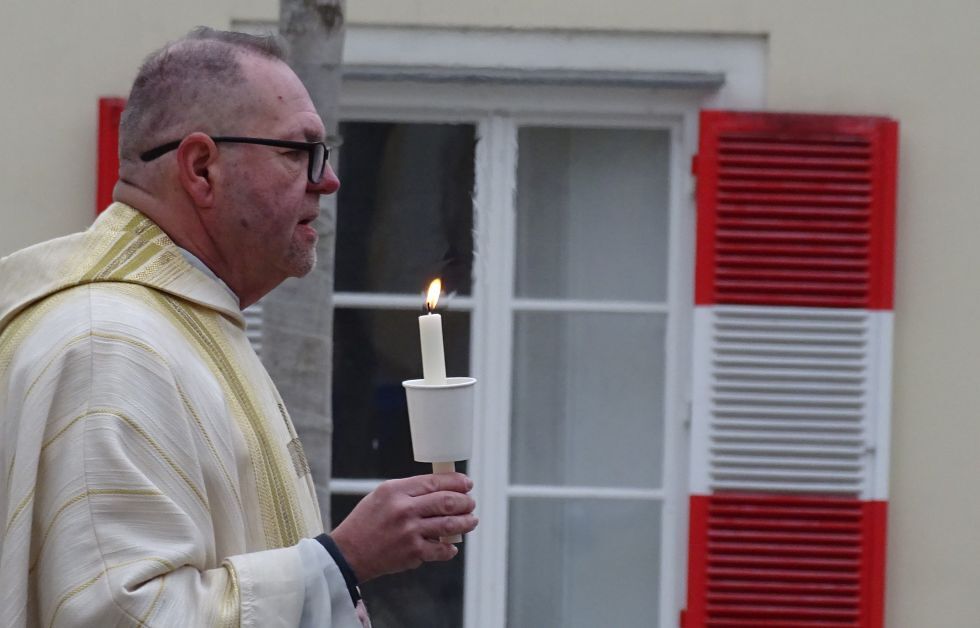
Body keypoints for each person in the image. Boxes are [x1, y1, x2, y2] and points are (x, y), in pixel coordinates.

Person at [0, 27, 477, 627]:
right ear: (202, 168)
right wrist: (341, 561)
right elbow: (120, 614)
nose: (328, 180)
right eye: (298, 151)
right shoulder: (110, 345)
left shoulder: (179, 322)